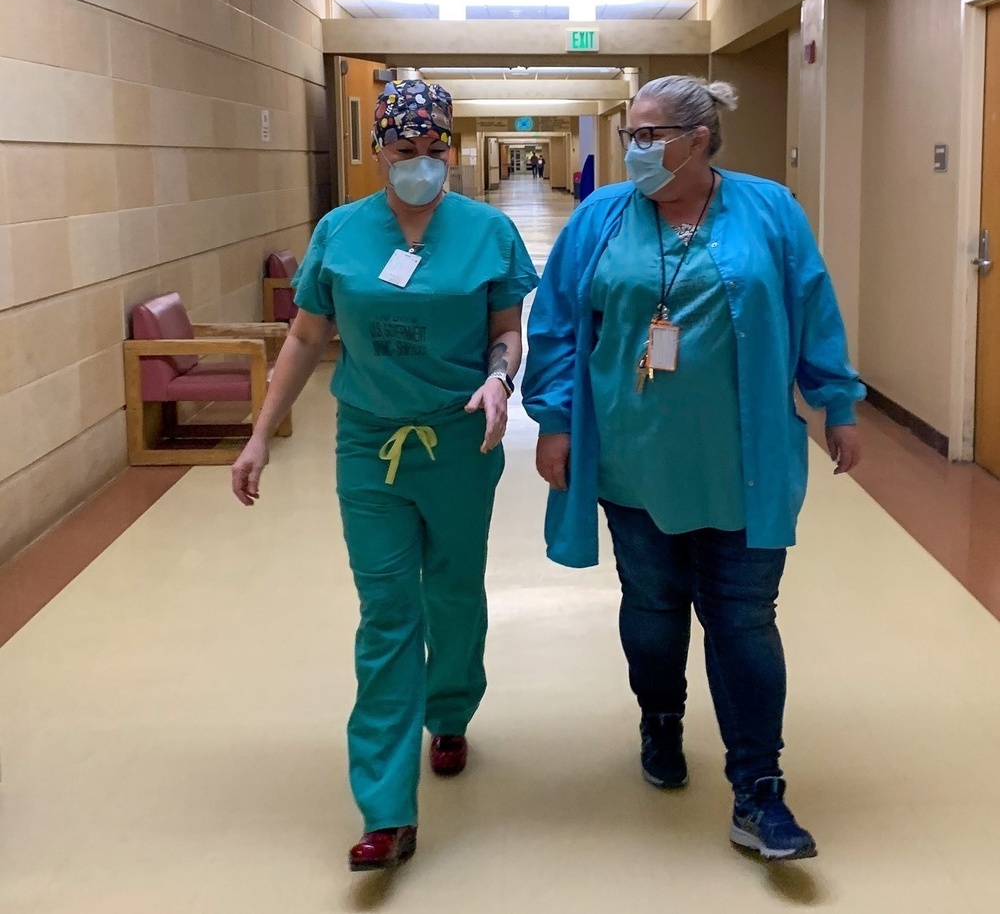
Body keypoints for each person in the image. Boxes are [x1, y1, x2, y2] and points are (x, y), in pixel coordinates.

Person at [522, 75, 864, 863]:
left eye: (650, 135)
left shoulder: (769, 209)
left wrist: (836, 401)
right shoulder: (601, 217)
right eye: (630, 134)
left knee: (744, 616)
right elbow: (560, 323)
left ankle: (759, 790)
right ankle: (662, 716)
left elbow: (812, 303)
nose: (634, 148)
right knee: (652, 602)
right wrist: (553, 420)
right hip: (633, 452)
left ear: (700, 139)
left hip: (743, 458)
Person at [232, 80, 539, 872]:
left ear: (452, 151)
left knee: (455, 591)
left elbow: (508, 331)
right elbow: (304, 338)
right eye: (405, 153)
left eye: (436, 152)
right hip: (370, 443)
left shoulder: (489, 231)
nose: (422, 167)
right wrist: (260, 435)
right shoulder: (341, 233)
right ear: (379, 153)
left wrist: (500, 379)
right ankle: (386, 809)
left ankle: (451, 709)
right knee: (387, 612)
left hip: (462, 441)